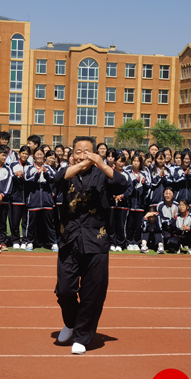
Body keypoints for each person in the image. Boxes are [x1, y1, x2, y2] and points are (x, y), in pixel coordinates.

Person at [53, 136, 128, 355]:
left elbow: (122, 184)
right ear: (71, 154)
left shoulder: (103, 174)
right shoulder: (67, 173)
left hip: (96, 239)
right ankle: (71, 322)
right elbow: (57, 182)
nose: (83, 154)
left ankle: (83, 336)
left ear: (96, 154)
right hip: (69, 238)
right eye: (78, 151)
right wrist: (79, 165)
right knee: (65, 289)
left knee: (92, 292)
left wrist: (102, 164)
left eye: (88, 151)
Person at [24, 147, 57, 252]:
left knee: (49, 224)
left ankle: (53, 243)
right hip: (33, 200)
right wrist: (38, 173)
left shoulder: (48, 167)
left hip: (47, 200)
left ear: (44, 156)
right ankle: (29, 242)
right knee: (31, 224)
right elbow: (27, 179)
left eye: (41, 154)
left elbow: (54, 179)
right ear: (33, 156)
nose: (39, 156)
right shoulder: (29, 167)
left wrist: (46, 172)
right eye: (37, 154)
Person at [9, 146, 31, 249]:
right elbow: (9, 179)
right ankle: (15, 240)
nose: (24, 155)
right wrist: (16, 175)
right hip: (15, 198)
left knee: (26, 222)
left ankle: (25, 240)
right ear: (19, 153)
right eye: (23, 153)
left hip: (27, 199)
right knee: (15, 221)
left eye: (26, 154)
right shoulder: (13, 165)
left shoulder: (30, 166)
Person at [124, 154, 147, 251]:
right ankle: (129, 242)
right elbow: (126, 187)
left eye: (138, 161)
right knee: (129, 224)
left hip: (140, 204)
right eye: (134, 161)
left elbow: (148, 188)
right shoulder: (128, 173)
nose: (136, 163)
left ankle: (136, 242)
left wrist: (144, 184)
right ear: (131, 161)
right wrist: (134, 182)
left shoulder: (144, 173)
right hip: (130, 204)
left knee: (138, 225)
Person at [0, 145, 13, 251]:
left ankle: (2, 242)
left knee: (2, 222)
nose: (4, 158)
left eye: (6, 155)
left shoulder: (8, 169)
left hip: (4, 200)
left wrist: (2, 195)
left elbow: (9, 184)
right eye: (2, 155)